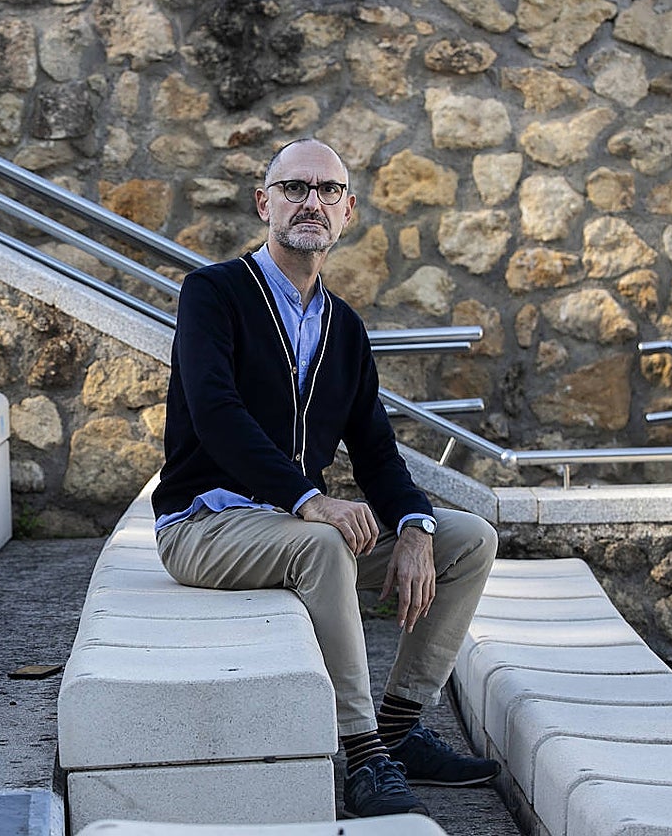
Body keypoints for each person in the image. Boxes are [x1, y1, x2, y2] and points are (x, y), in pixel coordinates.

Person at [152, 137, 501, 818]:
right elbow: (216, 414)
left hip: (288, 523)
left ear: (347, 211)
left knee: (469, 540)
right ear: (265, 204)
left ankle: (399, 726)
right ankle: (363, 752)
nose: (311, 202)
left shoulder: (344, 327)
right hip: (205, 524)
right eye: (294, 188)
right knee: (323, 542)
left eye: (328, 191)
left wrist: (416, 526)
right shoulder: (213, 294)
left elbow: (376, 450)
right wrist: (309, 498)